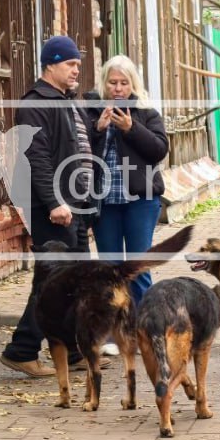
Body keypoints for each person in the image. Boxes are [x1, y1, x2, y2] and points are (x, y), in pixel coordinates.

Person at [0, 35, 107, 378]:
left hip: (74, 205)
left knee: (75, 281)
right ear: (51, 65)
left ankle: (75, 351)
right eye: (70, 65)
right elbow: (37, 159)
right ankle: (22, 350)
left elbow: (76, 145)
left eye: (78, 64)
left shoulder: (66, 100)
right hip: (54, 208)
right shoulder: (36, 103)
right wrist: (55, 202)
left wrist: (97, 129)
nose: (77, 70)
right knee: (52, 282)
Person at [86, 56, 168, 355]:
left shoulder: (146, 113)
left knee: (137, 266)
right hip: (105, 203)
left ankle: (146, 328)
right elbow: (81, 150)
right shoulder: (91, 110)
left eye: (124, 83)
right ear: (103, 83)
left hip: (140, 202)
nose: (118, 88)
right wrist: (98, 128)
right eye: (112, 82)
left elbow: (158, 150)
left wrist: (131, 128)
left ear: (133, 84)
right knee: (109, 268)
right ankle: (111, 332)